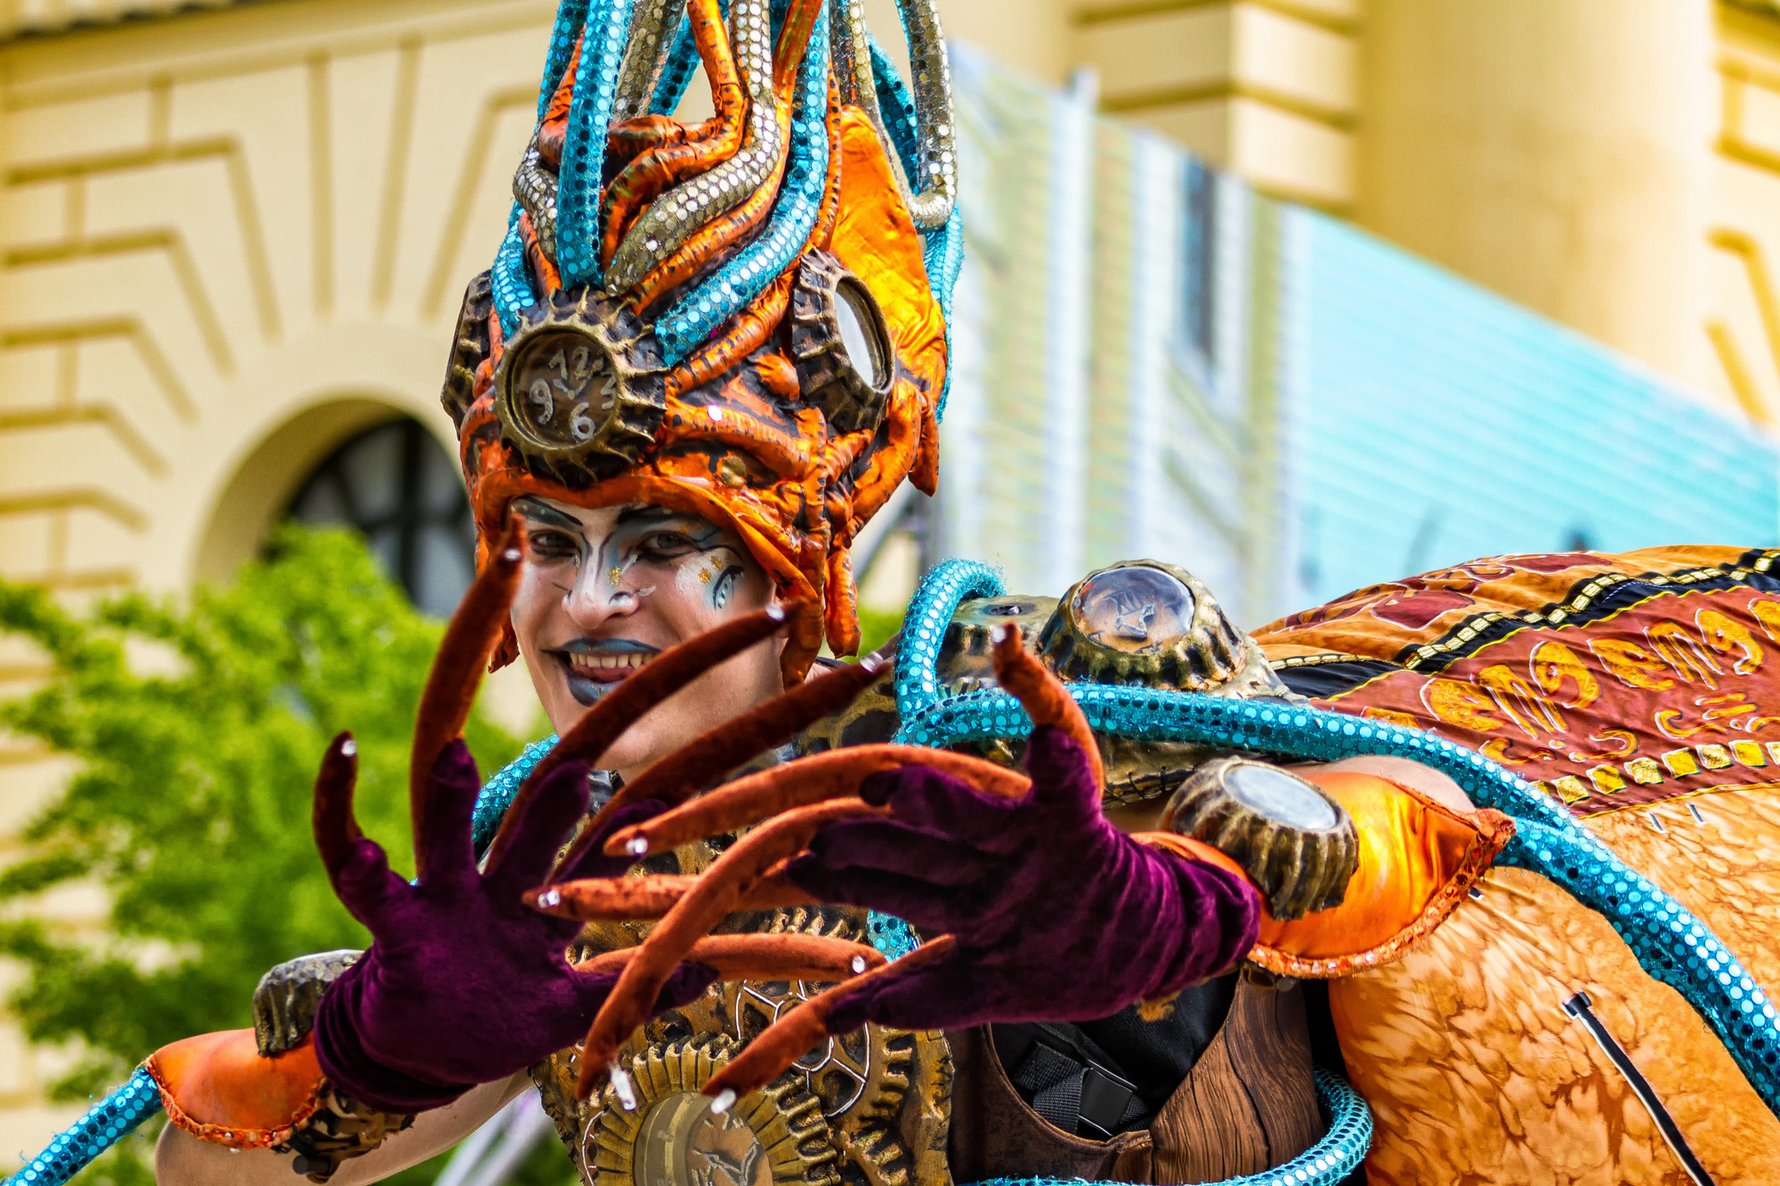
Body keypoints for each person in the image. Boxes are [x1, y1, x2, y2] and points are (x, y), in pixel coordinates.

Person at [20, 1, 1779, 1183]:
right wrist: (393, 1042)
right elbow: (213, 1152)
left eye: (654, 542)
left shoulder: (987, 776)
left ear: (792, 563)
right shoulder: (558, 888)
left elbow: (1406, 820)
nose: (579, 604)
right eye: (544, 546)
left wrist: (1176, 935)